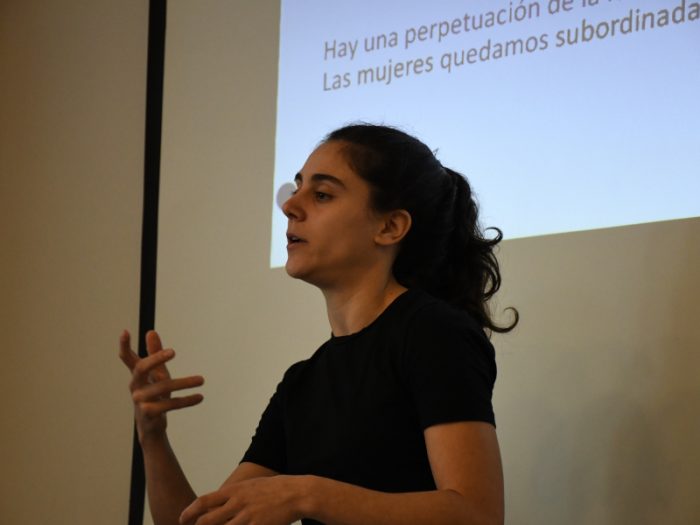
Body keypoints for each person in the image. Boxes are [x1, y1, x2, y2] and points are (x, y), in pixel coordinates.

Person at [120, 123, 518, 525]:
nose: (290, 206)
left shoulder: (433, 333)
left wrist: (308, 494)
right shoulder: (302, 382)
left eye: (322, 194)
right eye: (297, 188)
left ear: (389, 227)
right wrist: (152, 436)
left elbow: (478, 514)